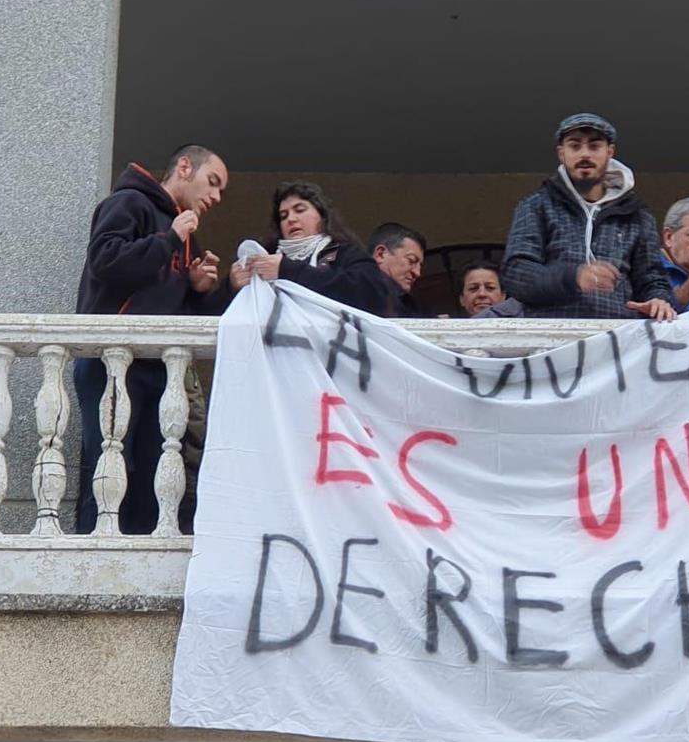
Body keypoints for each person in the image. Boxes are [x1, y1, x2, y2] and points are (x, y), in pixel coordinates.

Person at [74, 144, 233, 535]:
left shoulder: (182, 229)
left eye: (221, 192)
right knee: (109, 467)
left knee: (152, 471)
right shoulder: (130, 202)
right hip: (111, 362)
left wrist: (203, 287)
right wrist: (170, 240)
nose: (215, 197)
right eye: (212, 183)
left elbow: (177, 314)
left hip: (157, 368)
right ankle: (96, 559)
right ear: (183, 167)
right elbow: (106, 261)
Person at [501, 113, 675, 320]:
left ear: (610, 152)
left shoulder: (637, 214)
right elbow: (516, 274)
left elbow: (653, 279)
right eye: (575, 146)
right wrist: (573, 277)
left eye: (594, 146)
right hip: (552, 341)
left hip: (619, 342)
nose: (585, 154)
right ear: (561, 153)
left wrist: (658, 299)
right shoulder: (536, 206)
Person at [229, 181, 389, 313]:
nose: (291, 219)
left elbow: (372, 295)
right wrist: (230, 287)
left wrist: (286, 270)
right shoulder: (266, 257)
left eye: (300, 210)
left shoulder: (344, 253)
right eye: (283, 216)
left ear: (322, 216)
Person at [366, 222, 428, 318]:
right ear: (381, 254)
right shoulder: (356, 291)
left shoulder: (408, 303)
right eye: (411, 260)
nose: (417, 273)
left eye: (420, 266)